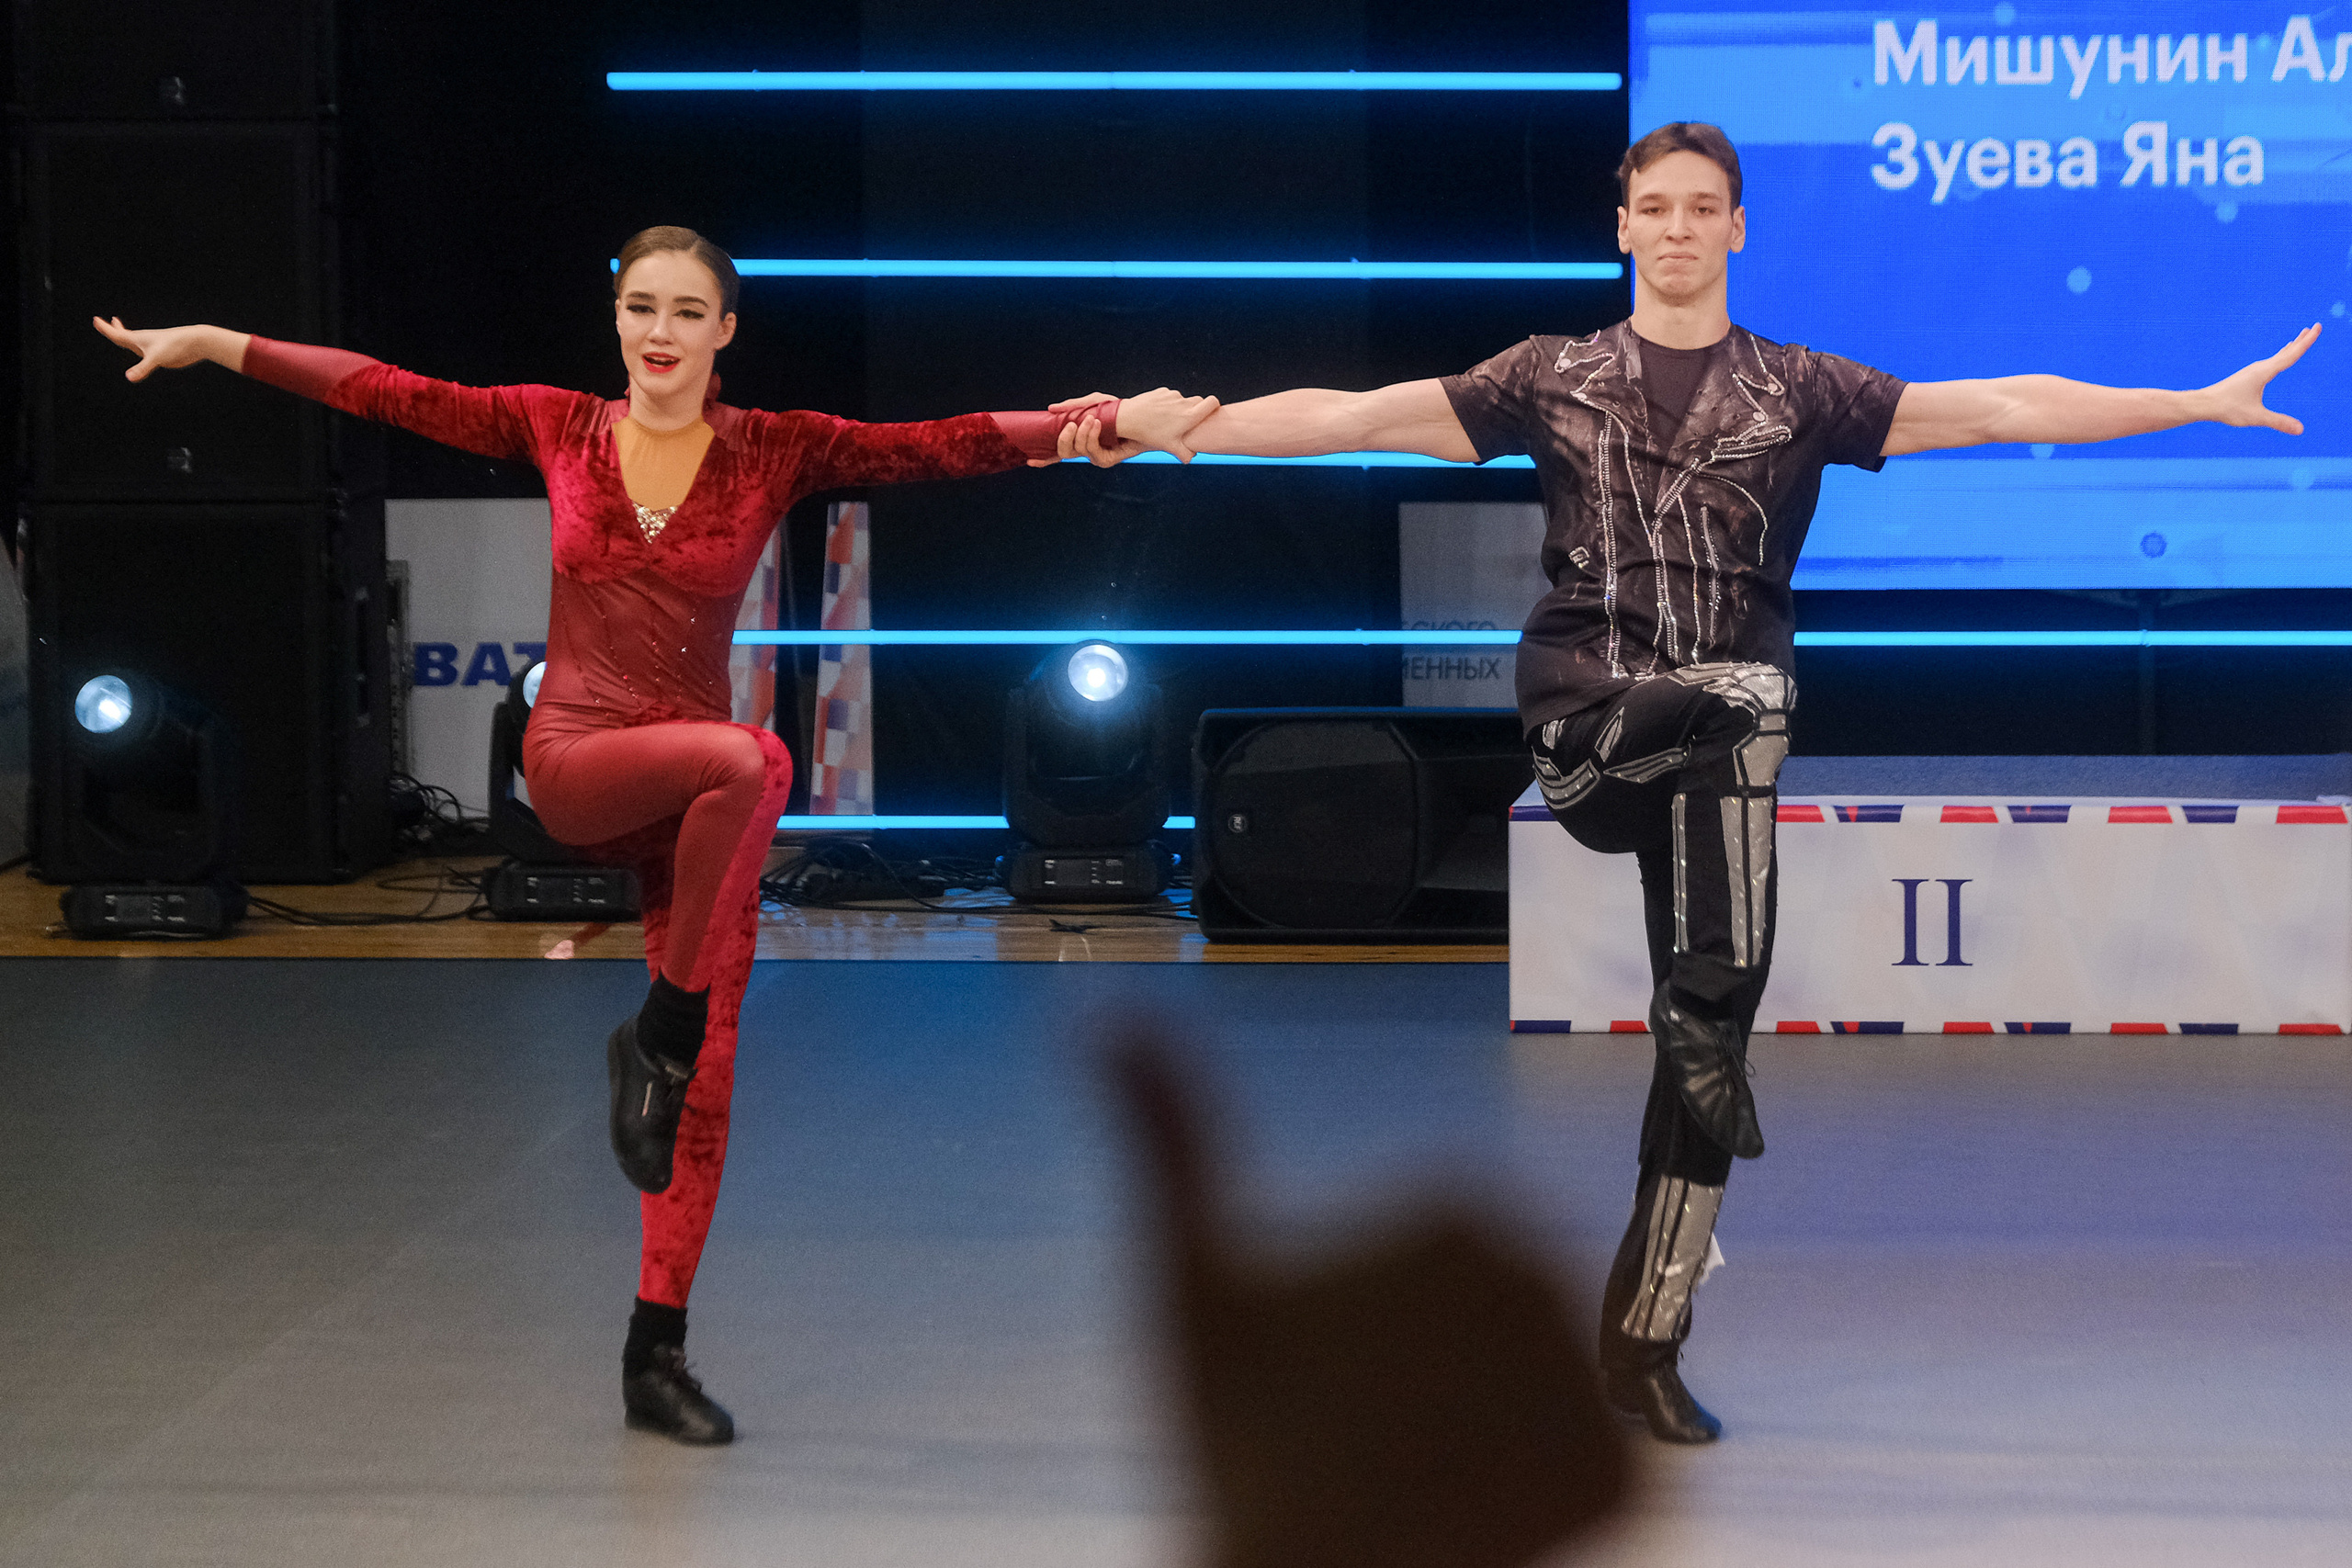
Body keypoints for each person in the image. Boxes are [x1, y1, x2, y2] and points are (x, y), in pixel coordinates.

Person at [1065, 122, 2318, 1445]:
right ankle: (1708, 1018)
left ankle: (1645, 1333)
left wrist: (2192, 403)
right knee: (1757, 700)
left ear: (1735, 229)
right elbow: (1355, 419)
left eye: (1700, 207)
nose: (1674, 227)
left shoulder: (1798, 390)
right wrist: (1181, 432)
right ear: (1623, 229)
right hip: (1590, 732)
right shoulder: (1550, 375)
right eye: (1652, 206)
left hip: (1719, 763)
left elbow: (2001, 405)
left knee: (1713, 1026)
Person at [97, 225, 1216, 1445]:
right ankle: (657, 1029)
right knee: (756, 756)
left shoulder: (773, 450)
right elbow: (381, 390)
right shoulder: (556, 425)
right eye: (643, 307)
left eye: (690, 311)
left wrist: (1099, 425)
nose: (662, 333)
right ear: (617, 318)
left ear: (726, 330)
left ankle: (654, 1349)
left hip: (702, 812)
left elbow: (936, 447)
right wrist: (215, 344)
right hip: (579, 761)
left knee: (710, 1079)